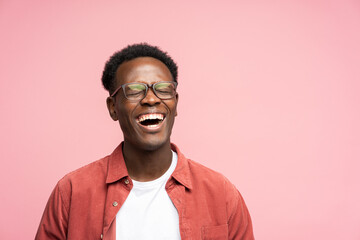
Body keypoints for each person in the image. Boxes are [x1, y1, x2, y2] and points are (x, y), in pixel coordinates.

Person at [35, 43, 254, 240]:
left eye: (163, 89)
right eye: (135, 91)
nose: (151, 99)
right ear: (113, 108)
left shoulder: (221, 193)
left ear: (175, 103)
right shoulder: (72, 192)